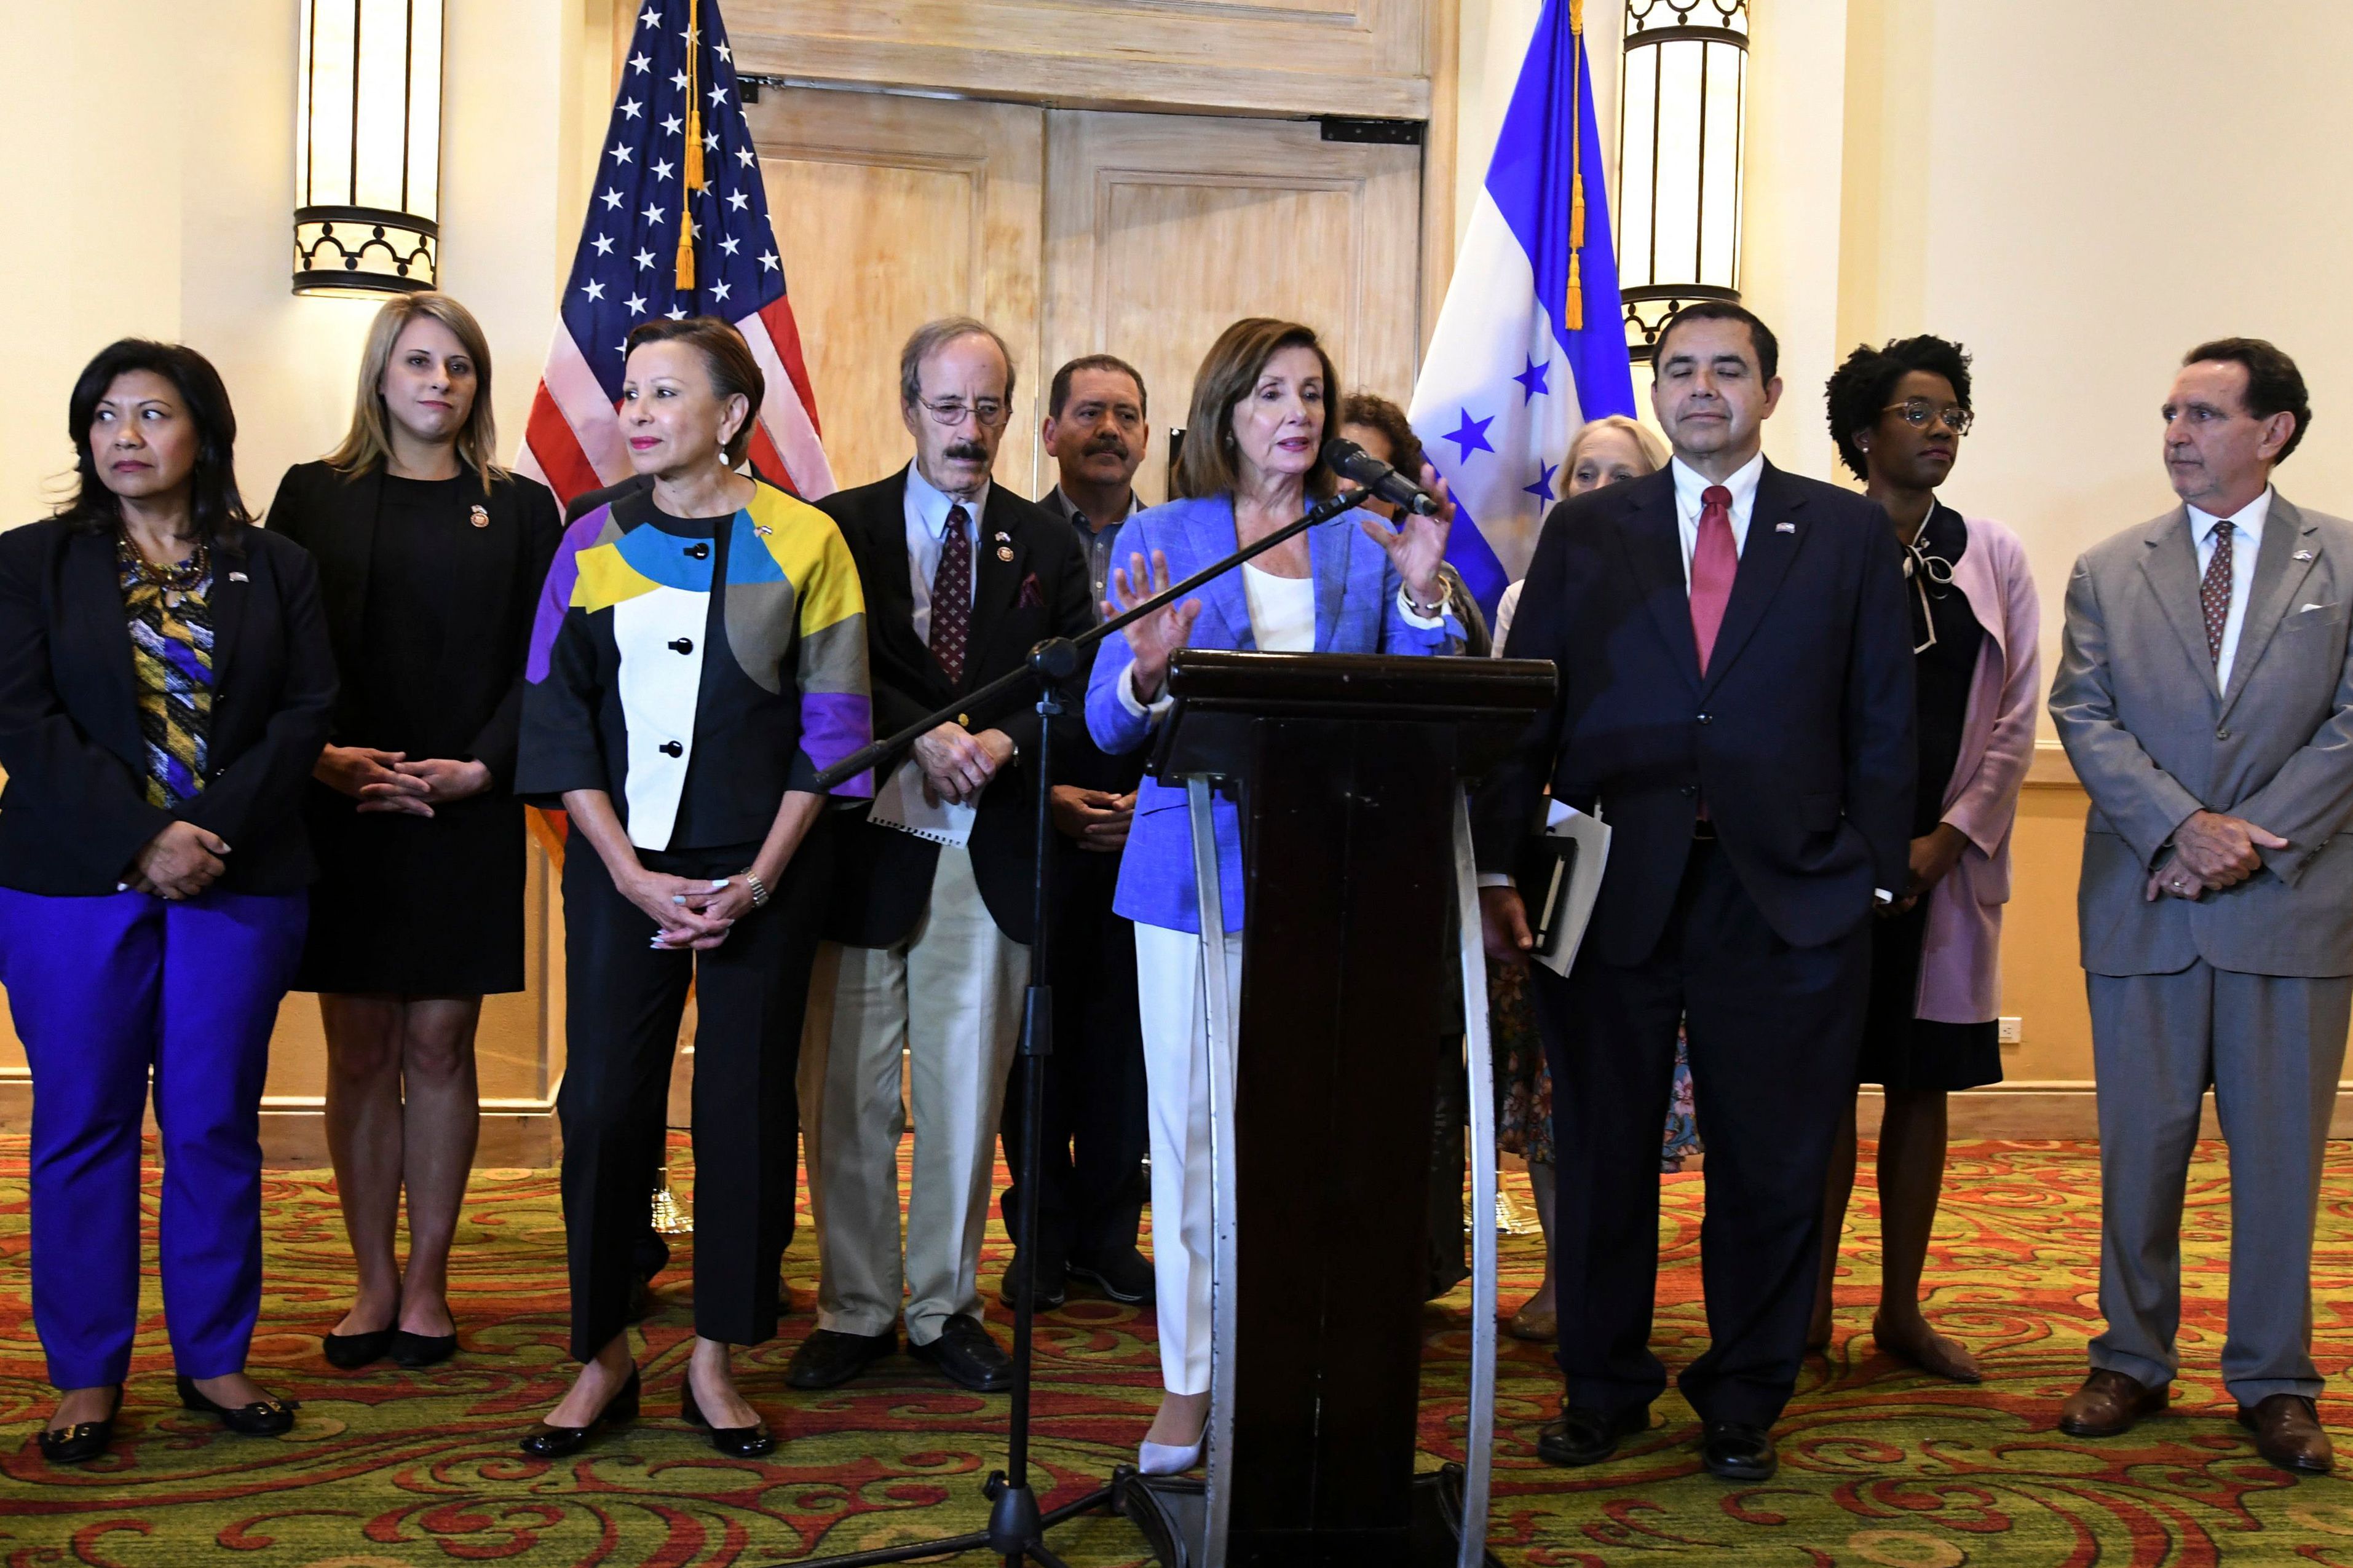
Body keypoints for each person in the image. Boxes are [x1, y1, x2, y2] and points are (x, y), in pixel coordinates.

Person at [1474, 301, 1913, 1482]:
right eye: (1681, 370)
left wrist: (1870, 878)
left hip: (1791, 897)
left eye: (1730, 369)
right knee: (1604, 1150)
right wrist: (1502, 864)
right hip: (1613, 882)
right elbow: (1534, 711)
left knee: (1770, 1160)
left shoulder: (1843, 531)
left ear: (1770, 391)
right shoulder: (1586, 530)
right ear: (1658, 392)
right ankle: (1605, 1386)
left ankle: (1743, 1396)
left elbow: (1885, 718)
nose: (1703, 389)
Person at [1086, 317, 1460, 1475]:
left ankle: (1303, 1364)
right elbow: (1108, 723)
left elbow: (1427, 714)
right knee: (1195, 1143)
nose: (1295, 413)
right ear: (1224, 414)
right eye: (1269, 394)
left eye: (1311, 392)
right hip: (1191, 878)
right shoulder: (1166, 535)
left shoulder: (1359, 537)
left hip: (1337, 887)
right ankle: (1192, 1383)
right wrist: (1148, 668)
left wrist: (1420, 591)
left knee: (1320, 1146)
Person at [515, 316, 873, 1459]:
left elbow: (836, 731)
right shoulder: (590, 538)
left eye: (664, 394)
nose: (636, 412)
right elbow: (554, 720)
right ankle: (603, 1352)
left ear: (731, 417)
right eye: (630, 393)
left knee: (745, 1112)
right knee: (607, 1108)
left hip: (764, 875)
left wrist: (759, 881)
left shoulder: (805, 540)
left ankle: (718, 1357)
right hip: (622, 879)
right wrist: (623, 872)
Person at [0, 340, 333, 1464]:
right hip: (70, 886)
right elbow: (24, 722)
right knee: (83, 1124)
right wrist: (143, 836)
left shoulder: (277, 565)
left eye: (152, 414)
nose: (125, 436)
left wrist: (209, 836)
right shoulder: (28, 564)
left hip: (238, 882)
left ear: (205, 433)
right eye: (105, 415)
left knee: (209, 1121)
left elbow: (304, 714)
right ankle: (86, 1373)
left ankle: (213, 1357)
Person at [2049, 337, 2353, 1475]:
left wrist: (2244, 843)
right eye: (2170, 412)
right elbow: (2085, 716)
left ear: (2272, 431)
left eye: (2204, 414)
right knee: (2142, 1148)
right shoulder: (2107, 568)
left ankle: (2275, 1381)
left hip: (2296, 903)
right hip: (2147, 903)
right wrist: (2183, 829)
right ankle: (2130, 1357)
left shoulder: (2348, 563)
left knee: (2282, 1161)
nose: (2176, 433)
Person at [791, 318, 1095, 1395]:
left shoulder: (1047, 544)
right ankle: (855, 1307)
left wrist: (1004, 743)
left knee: (968, 1094)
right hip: (864, 848)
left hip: (993, 846)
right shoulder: (838, 529)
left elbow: (1078, 678)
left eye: (989, 408)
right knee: (844, 1093)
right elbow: (819, 669)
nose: (970, 431)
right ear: (909, 405)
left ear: (1016, 414)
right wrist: (921, 732)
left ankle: (944, 1307)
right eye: (949, 407)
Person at [266, 293, 562, 1372]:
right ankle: (371, 1283)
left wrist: (484, 764)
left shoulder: (524, 511)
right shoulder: (311, 495)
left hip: (466, 804)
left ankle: (430, 1283)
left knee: (440, 1042)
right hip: (344, 800)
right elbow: (274, 648)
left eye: (461, 367)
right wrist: (328, 758)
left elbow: (548, 663)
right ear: (380, 376)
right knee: (361, 1047)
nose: (440, 381)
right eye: (420, 361)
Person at [1808, 337, 2039, 1382]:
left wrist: (1945, 843)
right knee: (1814, 1091)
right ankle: (1802, 1311)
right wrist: (1849, 848)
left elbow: (2018, 715)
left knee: (1919, 1085)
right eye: (1916, 410)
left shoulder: (1991, 553)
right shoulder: (1815, 542)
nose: (1940, 428)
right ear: (1865, 432)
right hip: (1827, 867)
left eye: (1953, 413)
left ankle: (1900, 1309)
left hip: (1942, 867)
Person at [1484, 412, 1677, 1343]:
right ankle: (1565, 1281)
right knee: (1558, 1083)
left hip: (1662, 854)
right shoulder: (1528, 597)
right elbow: (1515, 735)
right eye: (1583, 475)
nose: (1599, 492)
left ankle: (1626, 1291)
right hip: (1560, 850)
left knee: (1638, 1084)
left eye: (1620, 476)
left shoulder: (1691, 586)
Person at [998, 353, 1155, 1310]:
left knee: (1123, 1045)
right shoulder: (1014, 543)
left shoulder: (1183, 541)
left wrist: (1153, 803)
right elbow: (1003, 691)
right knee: (1035, 1040)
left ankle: (1108, 1232)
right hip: (1037, 823)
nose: (1109, 429)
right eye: (1088, 412)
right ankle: (1041, 1235)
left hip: (1149, 826)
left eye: (1126, 415)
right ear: (1048, 431)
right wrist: (1042, 795)